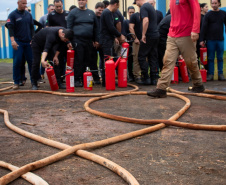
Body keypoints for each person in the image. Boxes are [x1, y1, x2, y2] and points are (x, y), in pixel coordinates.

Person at [147, 0, 204, 98]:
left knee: (191, 62)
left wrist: (195, 30)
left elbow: (196, 9)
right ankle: (161, 88)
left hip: (186, 34)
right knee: (167, 60)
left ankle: (198, 84)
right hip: (172, 34)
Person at [67, 0, 99, 87]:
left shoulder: (91, 13)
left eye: (83, 0)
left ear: (86, 1)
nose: (81, 2)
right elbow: (68, 28)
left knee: (87, 60)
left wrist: (96, 40)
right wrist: (69, 41)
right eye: (80, 0)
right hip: (77, 40)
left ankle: (84, 78)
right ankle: (77, 79)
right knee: (78, 60)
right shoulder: (73, 13)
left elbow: (96, 28)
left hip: (89, 41)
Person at [6, 0, 34, 90]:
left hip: (28, 42)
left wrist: (33, 39)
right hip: (18, 42)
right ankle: (16, 82)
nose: (25, 5)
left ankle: (34, 82)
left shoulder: (28, 15)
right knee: (17, 62)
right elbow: (10, 28)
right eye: (23, 3)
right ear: (18, 3)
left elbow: (31, 28)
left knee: (32, 62)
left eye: (26, 3)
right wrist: (13, 41)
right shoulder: (12, 15)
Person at [99, 0, 125, 86]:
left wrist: (114, 37)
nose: (117, 9)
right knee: (108, 60)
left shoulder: (108, 13)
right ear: (115, 4)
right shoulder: (107, 13)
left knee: (110, 59)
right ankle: (107, 81)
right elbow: (110, 27)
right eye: (117, 7)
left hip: (108, 39)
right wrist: (119, 35)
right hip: (106, 41)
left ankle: (108, 80)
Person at [200, 0, 226, 81]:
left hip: (220, 39)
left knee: (220, 57)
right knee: (210, 58)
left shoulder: (223, 13)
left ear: (219, 3)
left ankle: (220, 74)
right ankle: (210, 74)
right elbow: (203, 27)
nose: (214, 5)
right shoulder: (208, 14)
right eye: (212, 3)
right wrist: (202, 39)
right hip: (210, 40)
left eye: (215, 3)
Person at [136, 0, 159, 85]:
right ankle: (153, 79)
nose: (136, 4)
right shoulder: (151, 7)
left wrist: (143, 35)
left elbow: (146, 20)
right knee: (152, 56)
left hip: (149, 35)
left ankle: (146, 78)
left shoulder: (144, 7)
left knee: (141, 56)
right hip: (155, 35)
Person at [47, 0, 69, 83]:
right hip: (56, 41)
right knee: (58, 60)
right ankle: (58, 78)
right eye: (57, 7)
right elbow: (48, 28)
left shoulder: (67, 14)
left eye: (60, 6)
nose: (59, 8)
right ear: (54, 6)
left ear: (62, 4)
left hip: (67, 41)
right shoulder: (51, 15)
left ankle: (66, 76)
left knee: (68, 60)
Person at [90, 2, 105, 85]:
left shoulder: (104, 18)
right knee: (93, 61)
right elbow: (90, 30)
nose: (101, 12)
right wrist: (94, 41)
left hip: (102, 43)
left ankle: (104, 77)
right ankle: (96, 78)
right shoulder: (92, 18)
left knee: (104, 61)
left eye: (102, 10)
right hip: (93, 43)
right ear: (95, 9)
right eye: (99, 10)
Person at [129, 3, 142, 84]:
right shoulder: (134, 16)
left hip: (145, 41)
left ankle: (144, 74)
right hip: (137, 42)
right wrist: (135, 38)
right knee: (136, 58)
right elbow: (131, 28)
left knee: (145, 58)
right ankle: (137, 76)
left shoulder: (147, 15)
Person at [123, 6, 135, 82]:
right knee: (129, 60)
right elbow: (124, 33)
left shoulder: (136, 20)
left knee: (136, 60)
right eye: (130, 12)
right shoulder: (125, 22)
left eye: (132, 12)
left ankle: (136, 74)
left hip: (135, 43)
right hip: (128, 44)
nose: (131, 14)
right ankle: (130, 75)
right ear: (128, 13)